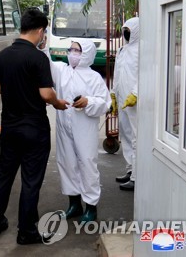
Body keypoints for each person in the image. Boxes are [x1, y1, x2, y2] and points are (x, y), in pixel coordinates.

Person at [0, 8, 69, 245]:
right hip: (34, 129)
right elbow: (46, 93)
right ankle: (26, 231)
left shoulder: (2, 56)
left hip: (11, 128)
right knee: (31, 180)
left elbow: (0, 89)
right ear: (40, 31)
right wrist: (58, 102)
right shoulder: (38, 58)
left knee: (4, 175)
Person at [45, 39, 111, 223]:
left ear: (87, 54)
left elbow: (106, 103)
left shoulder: (93, 77)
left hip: (85, 128)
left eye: (77, 50)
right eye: (71, 49)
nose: (72, 53)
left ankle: (91, 207)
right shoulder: (61, 70)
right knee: (67, 163)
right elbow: (46, 63)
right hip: (64, 127)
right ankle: (74, 203)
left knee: (87, 164)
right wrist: (42, 46)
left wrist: (88, 101)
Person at [111, 16, 139, 191]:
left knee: (136, 138)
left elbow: (146, 74)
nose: (126, 34)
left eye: (129, 31)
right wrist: (113, 95)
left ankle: (137, 176)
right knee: (126, 136)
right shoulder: (122, 50)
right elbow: (117, 73)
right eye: (124, 30)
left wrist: (135, 93)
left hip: (135, 102)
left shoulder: (142, 51)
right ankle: (130, 169)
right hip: (122, 100)